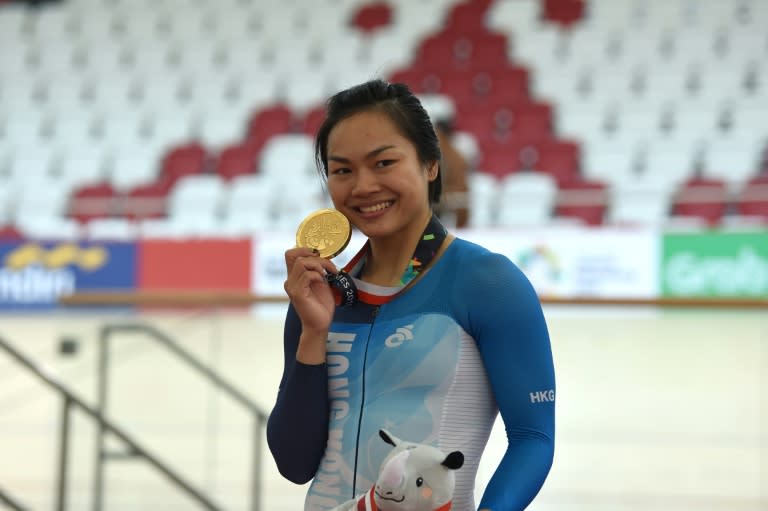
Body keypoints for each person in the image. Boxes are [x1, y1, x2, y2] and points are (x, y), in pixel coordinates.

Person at [267, 79, 555, 511]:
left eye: (383, 163)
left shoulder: (489, 282)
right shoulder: (319, 296)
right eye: (342, 170)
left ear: (430, 164)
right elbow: (294, 462)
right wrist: (313, 333)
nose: (362, 186)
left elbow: (533, 437)